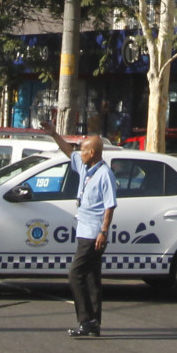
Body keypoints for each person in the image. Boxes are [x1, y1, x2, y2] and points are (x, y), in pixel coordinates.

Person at [67, 134, 116, 338]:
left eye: (83, 151)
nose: (80, 154)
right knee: (91, 278)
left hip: (93, 234)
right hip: (84, 231)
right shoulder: (86, 168)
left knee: (75, 274)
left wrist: (103, 231)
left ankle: (85, 320)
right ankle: (95, 323)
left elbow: (109, 205)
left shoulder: (105, 174)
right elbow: (69, 152)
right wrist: (53, 134)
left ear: (92, 153)